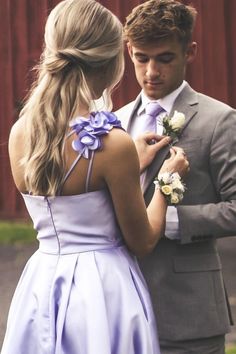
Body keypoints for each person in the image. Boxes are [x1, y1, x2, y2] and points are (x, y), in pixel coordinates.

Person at [1, 1, 189, 353]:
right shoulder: (113, 146)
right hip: (101, 292)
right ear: (109, 63)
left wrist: (129, 160)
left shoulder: (20, 133)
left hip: (41, 284)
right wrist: (165, 182)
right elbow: (143, 240)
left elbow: (68, 195)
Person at [115, 0, 236, 353]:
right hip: (120, 304)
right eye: (141, 58)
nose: (151, 71)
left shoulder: (220, 120)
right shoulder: (115, 122)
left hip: (188, 311)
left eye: (164, 58)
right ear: (128, 52)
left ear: (190, 52)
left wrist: (167, 221)